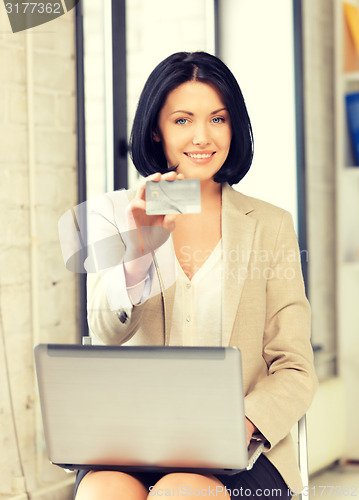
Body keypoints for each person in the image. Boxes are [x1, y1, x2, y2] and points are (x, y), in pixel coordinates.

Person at [74, 51, 317, 499]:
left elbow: (295, 367)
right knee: (103, 492)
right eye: (183, 120)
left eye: (218, 119)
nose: (202, 136)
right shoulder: (117, 216)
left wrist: (236, 428)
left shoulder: (270, 224)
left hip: (242, 451)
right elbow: (104, 332)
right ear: (156, 129)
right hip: (132, 442)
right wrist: (137, 255)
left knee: (180, 492)